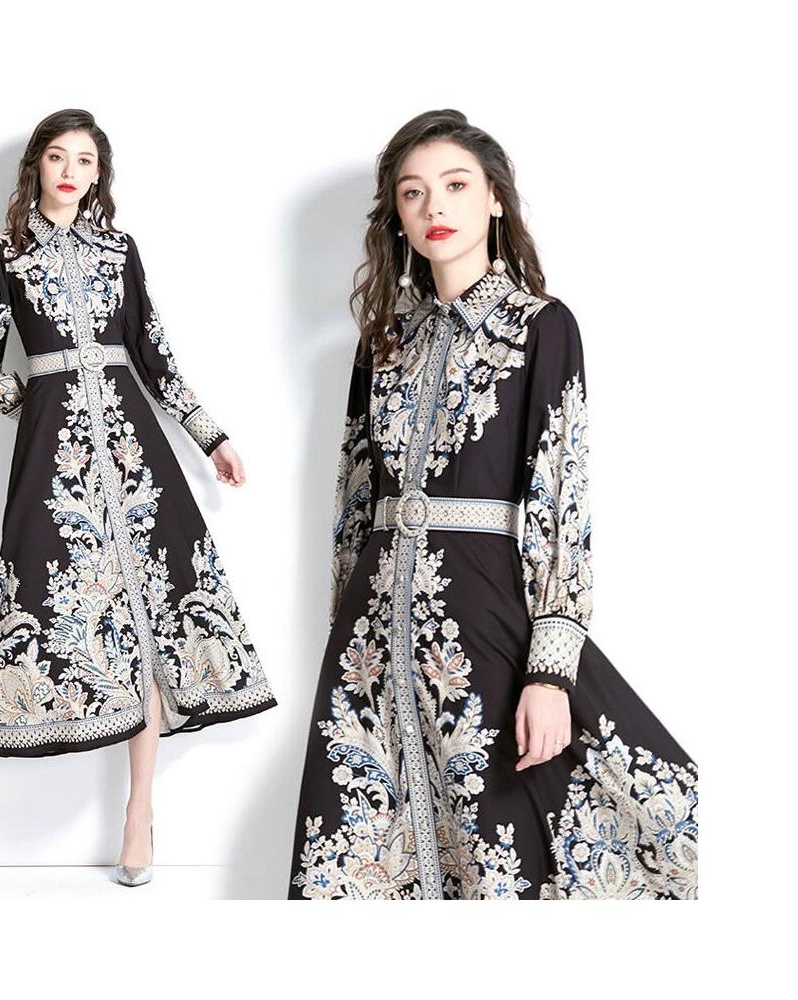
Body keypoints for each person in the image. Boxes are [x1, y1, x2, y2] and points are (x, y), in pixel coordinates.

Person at [288, 109, 698, 900]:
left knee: (506, 838)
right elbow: (355, 499)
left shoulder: (542, 328)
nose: (434, 207)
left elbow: (562, 499)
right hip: (372, 640)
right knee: (360, 851)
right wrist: (344, 631)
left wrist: (550, 671)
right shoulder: (382, 343)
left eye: (455, 185)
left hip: (484, 616)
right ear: (397, 215)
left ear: (495, 199)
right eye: (413, 193)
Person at [0, 108, 276, 891]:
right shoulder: (5, 252)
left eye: (85, 160)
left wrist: (212, 437)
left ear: (100, 173)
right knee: (23, 614)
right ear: (36, 165)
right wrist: (39, 408)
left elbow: (154, 354)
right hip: (55, 464)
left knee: (151, 620)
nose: (71, 171)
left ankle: (138, 818)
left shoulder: (119, 251)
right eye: (58, 157)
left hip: (137, 458)